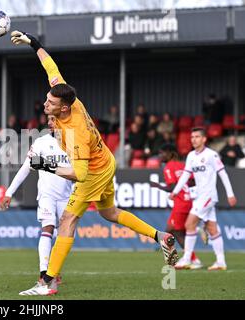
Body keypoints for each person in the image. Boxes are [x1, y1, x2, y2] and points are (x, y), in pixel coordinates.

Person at [11, 30, 177, 296]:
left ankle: (47, 282)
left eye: (50, 102)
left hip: (94, 170)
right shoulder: (66, 97)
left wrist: (46, 166)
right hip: (105, 160)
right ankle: (161, 236)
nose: (45, 103)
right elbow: (50, 67)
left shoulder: (75, 130)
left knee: (67, 220)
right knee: (109, 213)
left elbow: (78, 174)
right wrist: (34, 43)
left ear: (63, 108)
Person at [0, 115, 73, 283]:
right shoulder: (41, 142)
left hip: (66, 196)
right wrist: (9, 193)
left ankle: (54, 270)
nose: (49, 122)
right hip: (47, 195)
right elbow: (26, 168)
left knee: (64, 235)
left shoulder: (73, 142)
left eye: (54, 119)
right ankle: (44, 272)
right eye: (49, 119)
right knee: (47, 228)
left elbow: (79, 172)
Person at [170, 127, 236, 271]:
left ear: (204, 139)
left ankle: (187, 259)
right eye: (192, 137)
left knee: (189, 224)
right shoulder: (191, 156)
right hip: (199, 197)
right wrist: (175, 191)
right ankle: (221, 262)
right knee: (212, 229)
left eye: (197, 136)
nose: (194, 139)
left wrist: (230, 193)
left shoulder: (212, 155)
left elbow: (223, 174)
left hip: (208, 196)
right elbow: (185, 175)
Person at [150, 144, 203, 269]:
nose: (160, 156)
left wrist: (158, 186)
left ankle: (192, 259)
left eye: (162, 152)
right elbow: (192, 181)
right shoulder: (182, 165)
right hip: (188, 201)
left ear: (169, 153)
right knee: (170, 228)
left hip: (180, 203)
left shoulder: (168, 167)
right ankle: (170, 254)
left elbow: (172, 187)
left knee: (176, 231)